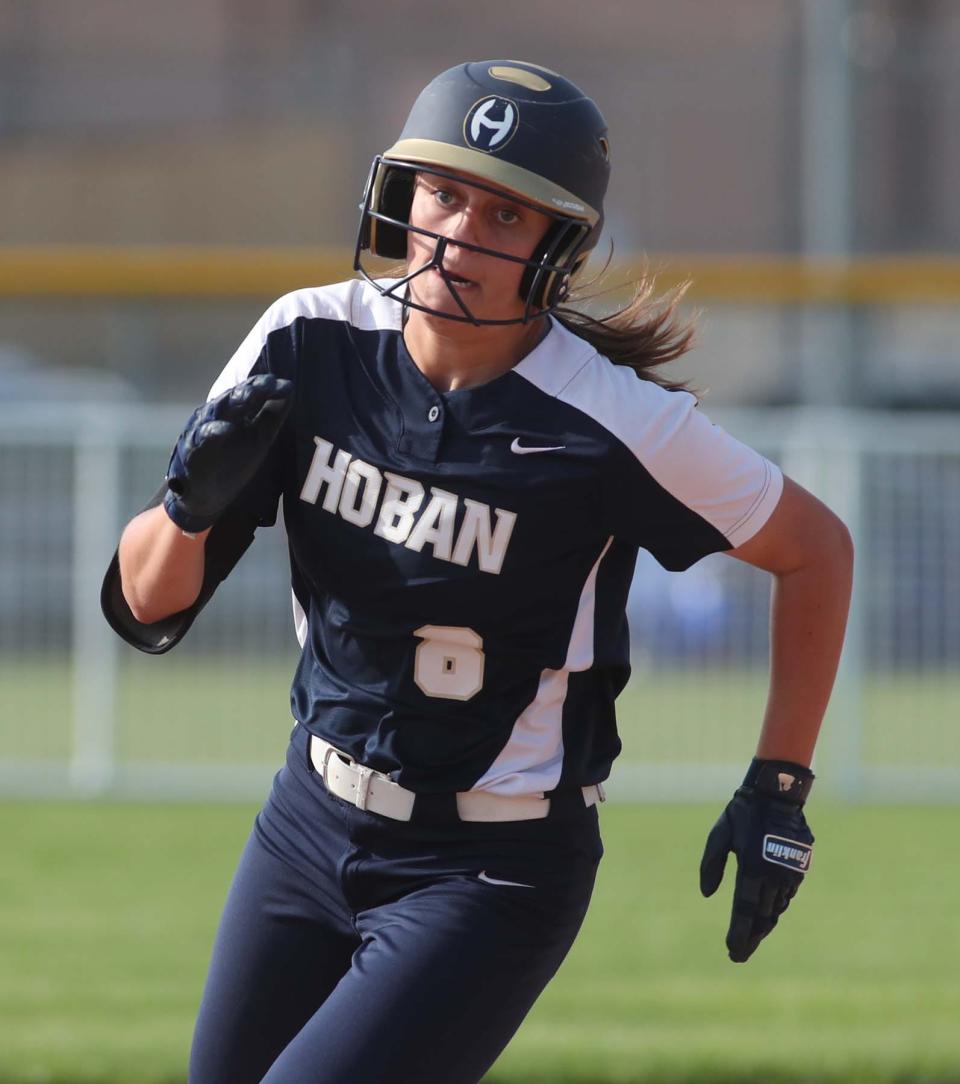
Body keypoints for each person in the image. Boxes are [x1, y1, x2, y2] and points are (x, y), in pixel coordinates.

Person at [101, 60, 853, 1084]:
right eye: (443, 194)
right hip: (307, 819)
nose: (457, 232)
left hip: (490, 866)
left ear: (556, 249)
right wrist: (189, 508)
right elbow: (146, 601)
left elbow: (816, 550)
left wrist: (779, 786)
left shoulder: (611, 421)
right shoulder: (307, 340)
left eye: (504, 215)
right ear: (400, 192)